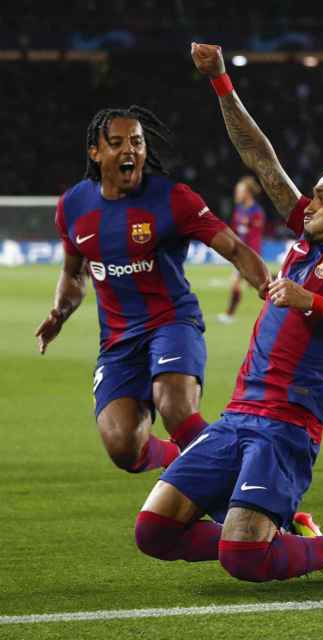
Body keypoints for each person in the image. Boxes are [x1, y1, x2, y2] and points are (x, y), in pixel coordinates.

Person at [132, 43, 323, 586]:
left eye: (322, 197)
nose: (308, 203)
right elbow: (260, 157)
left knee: (244, 560)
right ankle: (278, 537)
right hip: (238, 412)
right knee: (153, 533)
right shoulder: (304, 237)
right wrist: (219, 81)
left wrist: (314, 302)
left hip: (286, 421)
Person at [35, 106, 270, 473]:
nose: (130, 150)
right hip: (118, 340)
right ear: (95, 153)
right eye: (117, 143)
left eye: (137, 142)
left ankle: (246, 499)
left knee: (174, 405)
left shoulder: (174, 198)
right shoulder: (73, 206)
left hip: (172, 322)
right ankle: (203, 465)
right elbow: (73, 274)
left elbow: (234, 248)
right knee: (124, 448)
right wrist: (59, 312)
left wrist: (269, 289)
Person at [218, 176, 267, 324]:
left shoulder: (257, 212)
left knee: (238, 283)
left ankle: (229, 315)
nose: (237, 194)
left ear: (248, 193)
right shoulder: (239, 209)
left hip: (250, 253)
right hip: (240, 252)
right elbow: (235, 231)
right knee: (261, 284)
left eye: (240, 191)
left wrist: (249, 254)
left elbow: (254, 237)